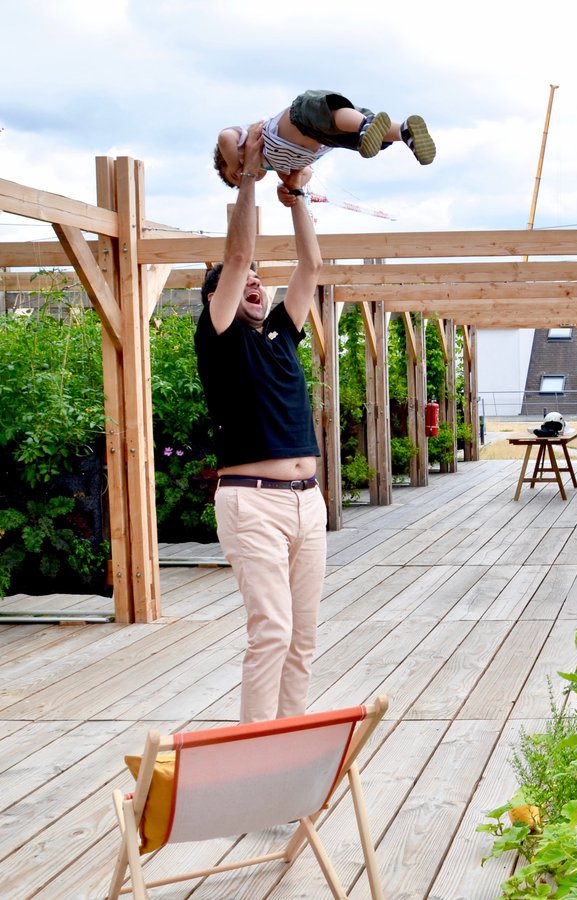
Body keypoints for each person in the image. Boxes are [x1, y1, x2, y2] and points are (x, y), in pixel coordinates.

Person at [195, 122, 327, 723]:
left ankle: (293, 764)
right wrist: (248, 178)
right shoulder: (218, 338)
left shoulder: (280, 333)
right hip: (253, 503)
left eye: (254, 281)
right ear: (216, 298)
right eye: (237, 281)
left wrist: (295, 194)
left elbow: (311, 265)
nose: (250, 280)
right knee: (271, 633)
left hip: (308, 503)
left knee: (302, 641)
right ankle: (255, 760)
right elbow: (239, 253)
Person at [213, 89, 435, 193]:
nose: (242, 174)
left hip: (297, 118)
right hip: (321, 142)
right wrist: (293, 185)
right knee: (356, 137)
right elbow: (307, 172)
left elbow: (224, 137)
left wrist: (234, 164)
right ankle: (404, 132)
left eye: (234, 172)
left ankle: (364, 125)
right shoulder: (272, 165)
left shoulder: (246, 137)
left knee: (334, 116)